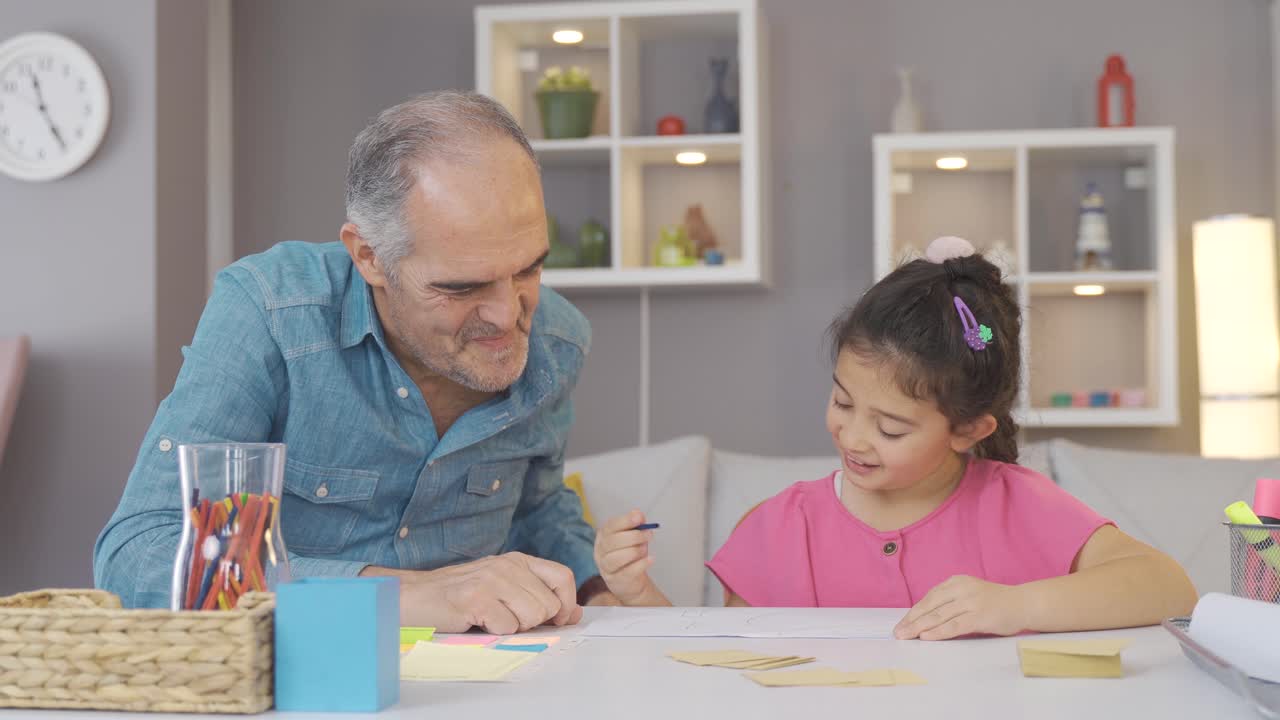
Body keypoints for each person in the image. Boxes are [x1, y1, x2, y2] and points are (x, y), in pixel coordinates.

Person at [95, 91, 617, 632]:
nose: (509, 316)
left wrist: (598, 590)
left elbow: (535, 508)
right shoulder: (270, 314)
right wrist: (402, 594)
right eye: (462, 287)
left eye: (529, 269)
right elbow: (141, 553)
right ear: (369, 256)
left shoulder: (557, 341)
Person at [594, 236, 1197, 639]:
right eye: (842, 401)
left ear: (968, 429)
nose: (853, 437)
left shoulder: (1017, 503)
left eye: (889, 428)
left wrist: (1016, 606)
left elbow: (1169, 586)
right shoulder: (782, 527)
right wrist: (637, 595)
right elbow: (719, 669)